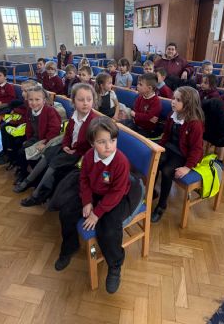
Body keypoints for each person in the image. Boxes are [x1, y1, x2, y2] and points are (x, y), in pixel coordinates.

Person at [55, 117, 140, 294]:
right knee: (67, 212)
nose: (109, 146)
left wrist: (97, 213)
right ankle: (70, 247)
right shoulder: (88, 156)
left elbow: (116, 193)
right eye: (102, 142)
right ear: (92, 143)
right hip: (95, 192)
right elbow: (84, 179)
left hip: (117, 197)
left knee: (108, 230)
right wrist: (87, 201)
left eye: (112, 140)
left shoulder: (120, 161)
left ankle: (115, 265)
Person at [18, 83, 98, 206]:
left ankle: (37, 195)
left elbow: (92, 147)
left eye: (89, 99)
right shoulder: (75, 115)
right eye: (81, 100)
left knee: (54, 164)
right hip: (69, 148)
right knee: (48, 153)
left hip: (79, 153)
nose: (85, 103)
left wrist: (74, 150)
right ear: (74, 101)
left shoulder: (94, 121)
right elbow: (68, 134)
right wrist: (65, 145)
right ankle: (29, 181)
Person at [151, 86, 204, 223]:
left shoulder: (195, 123)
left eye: (178, 100)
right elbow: (166, 135)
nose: (173, 101)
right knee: (155, 161)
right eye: (173, 98)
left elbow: (196, 149)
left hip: (183, 154)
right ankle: (151, 192)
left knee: (167, 171)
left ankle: (161, 206)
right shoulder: (172, 115)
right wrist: (159, 147)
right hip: (169, 147)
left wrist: (187, 167)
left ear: (188, 103)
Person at [15, 85, 62, 182]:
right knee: (19, 144)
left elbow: (55, 130)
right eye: (31, 100)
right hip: (36, 137)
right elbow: (29, 127)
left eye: (37, 99)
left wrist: (45, 142)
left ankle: (29, 175)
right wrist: (28, 140)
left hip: (47, 140)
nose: (34, 103)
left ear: (44, 100)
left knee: (23, 152)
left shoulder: (50, 111)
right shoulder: (30, 110)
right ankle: (24, 170)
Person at [0, 80, 37, 166]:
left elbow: (27, 117)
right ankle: (6, 151)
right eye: (22, 91)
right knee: (4, 126)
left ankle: (12, 154)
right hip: (22, 122)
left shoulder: (34, 102)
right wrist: (15, 112)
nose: (23, 93)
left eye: (25, 91)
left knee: (12, 133)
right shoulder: (26, 100)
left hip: (28, 126)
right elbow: (22, 109)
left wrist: (15, 117)